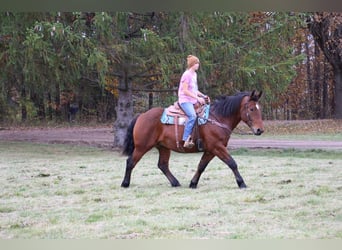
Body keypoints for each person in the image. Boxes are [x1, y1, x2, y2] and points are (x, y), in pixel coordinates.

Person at [178, 55, 209, 148]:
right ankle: (186, 139)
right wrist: (197, 98)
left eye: (198, 63)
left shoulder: (194, 75)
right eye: (196, 63)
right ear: (192, 64)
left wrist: (203, 96)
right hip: (185, 100)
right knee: (192, 116)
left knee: (203, 113)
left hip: (192, 99)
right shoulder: (186, 75)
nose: (198, 65)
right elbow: (185, 90)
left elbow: (195, 90)